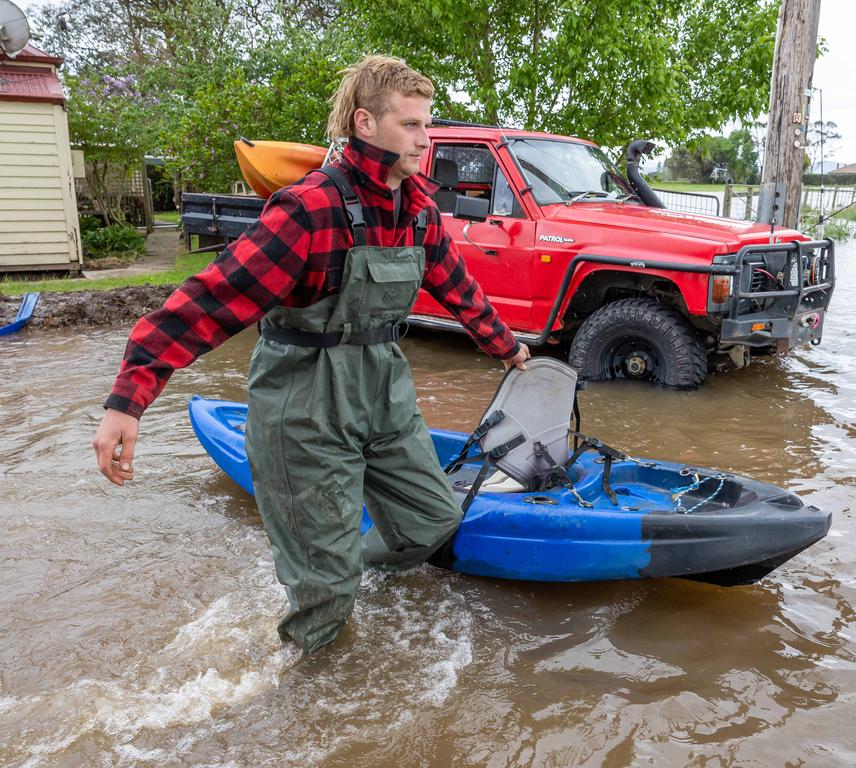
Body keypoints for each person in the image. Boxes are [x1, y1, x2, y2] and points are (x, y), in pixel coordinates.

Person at [92, 55, 530, 655]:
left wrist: (508, 348)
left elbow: (457, 287)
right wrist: (128, 400)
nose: (425, 142)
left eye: (428, 126)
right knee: (325, 593)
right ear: (365, 124)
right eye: (411, 126)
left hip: (384, 389)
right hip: (304, 401)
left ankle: (341, 569)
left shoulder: (418, 210)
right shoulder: (309, 209)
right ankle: (309, 657)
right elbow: (207, 303)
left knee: (431, 520)